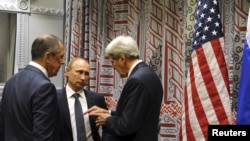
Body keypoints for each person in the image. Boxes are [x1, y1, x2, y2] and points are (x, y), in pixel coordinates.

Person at [85, 35, 163, 141]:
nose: (113, 67)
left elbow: (127, 126)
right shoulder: (148, 75)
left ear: (122, 58)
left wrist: (107, 120)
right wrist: (108, 113)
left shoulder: (137, 80)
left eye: (113, 62)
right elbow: (136, 115)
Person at [0, 34, 65, 141]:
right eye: (60, 57)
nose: (62, 62)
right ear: (47, 57)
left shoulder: (11, 81)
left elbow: (2, 126)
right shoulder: (45, 87)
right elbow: (43, 136)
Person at [57, 57, 108, 141]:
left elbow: (107, 125)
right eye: (79, 72)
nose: (83, 78)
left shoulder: (97, 98)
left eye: (86, 74)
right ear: (67, 71)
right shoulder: (54, 98)